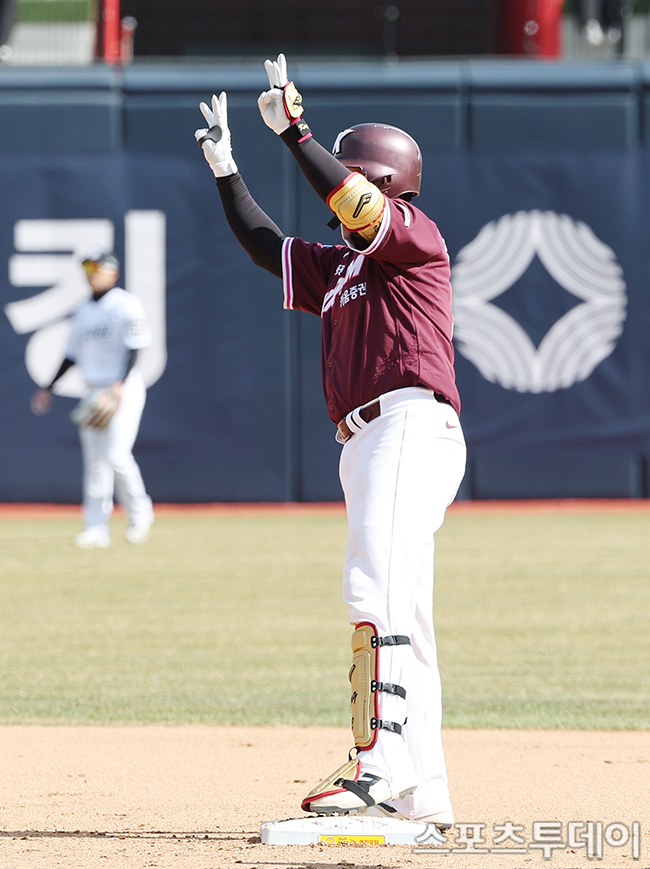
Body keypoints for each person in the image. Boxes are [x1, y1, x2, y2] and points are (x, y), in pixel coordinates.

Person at [195, 54, 466, 829]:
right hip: (373, 438)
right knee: (403, 606)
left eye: (352, 177)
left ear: (384, 182)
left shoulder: (414, 234)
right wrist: (227, 171)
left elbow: (356, 202)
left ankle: (376, 767)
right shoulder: (345, 265)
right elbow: (267, 247)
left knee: (373, 589)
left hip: (406, 422)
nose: (338, 196)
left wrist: (297, 134)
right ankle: (421, 790)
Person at [31, 252, 154, 549]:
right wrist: (49, 387)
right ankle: (96, 528)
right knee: (95, 462)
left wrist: (120, 384)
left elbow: (136, 347)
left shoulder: (126, 304)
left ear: (113, 272)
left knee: (116, 455)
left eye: (97, 268)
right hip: (93, 390)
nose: (91, 273)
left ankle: (140, 512)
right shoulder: (84, 310)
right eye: (87, 268)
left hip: (122, 388)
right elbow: (71, 355)